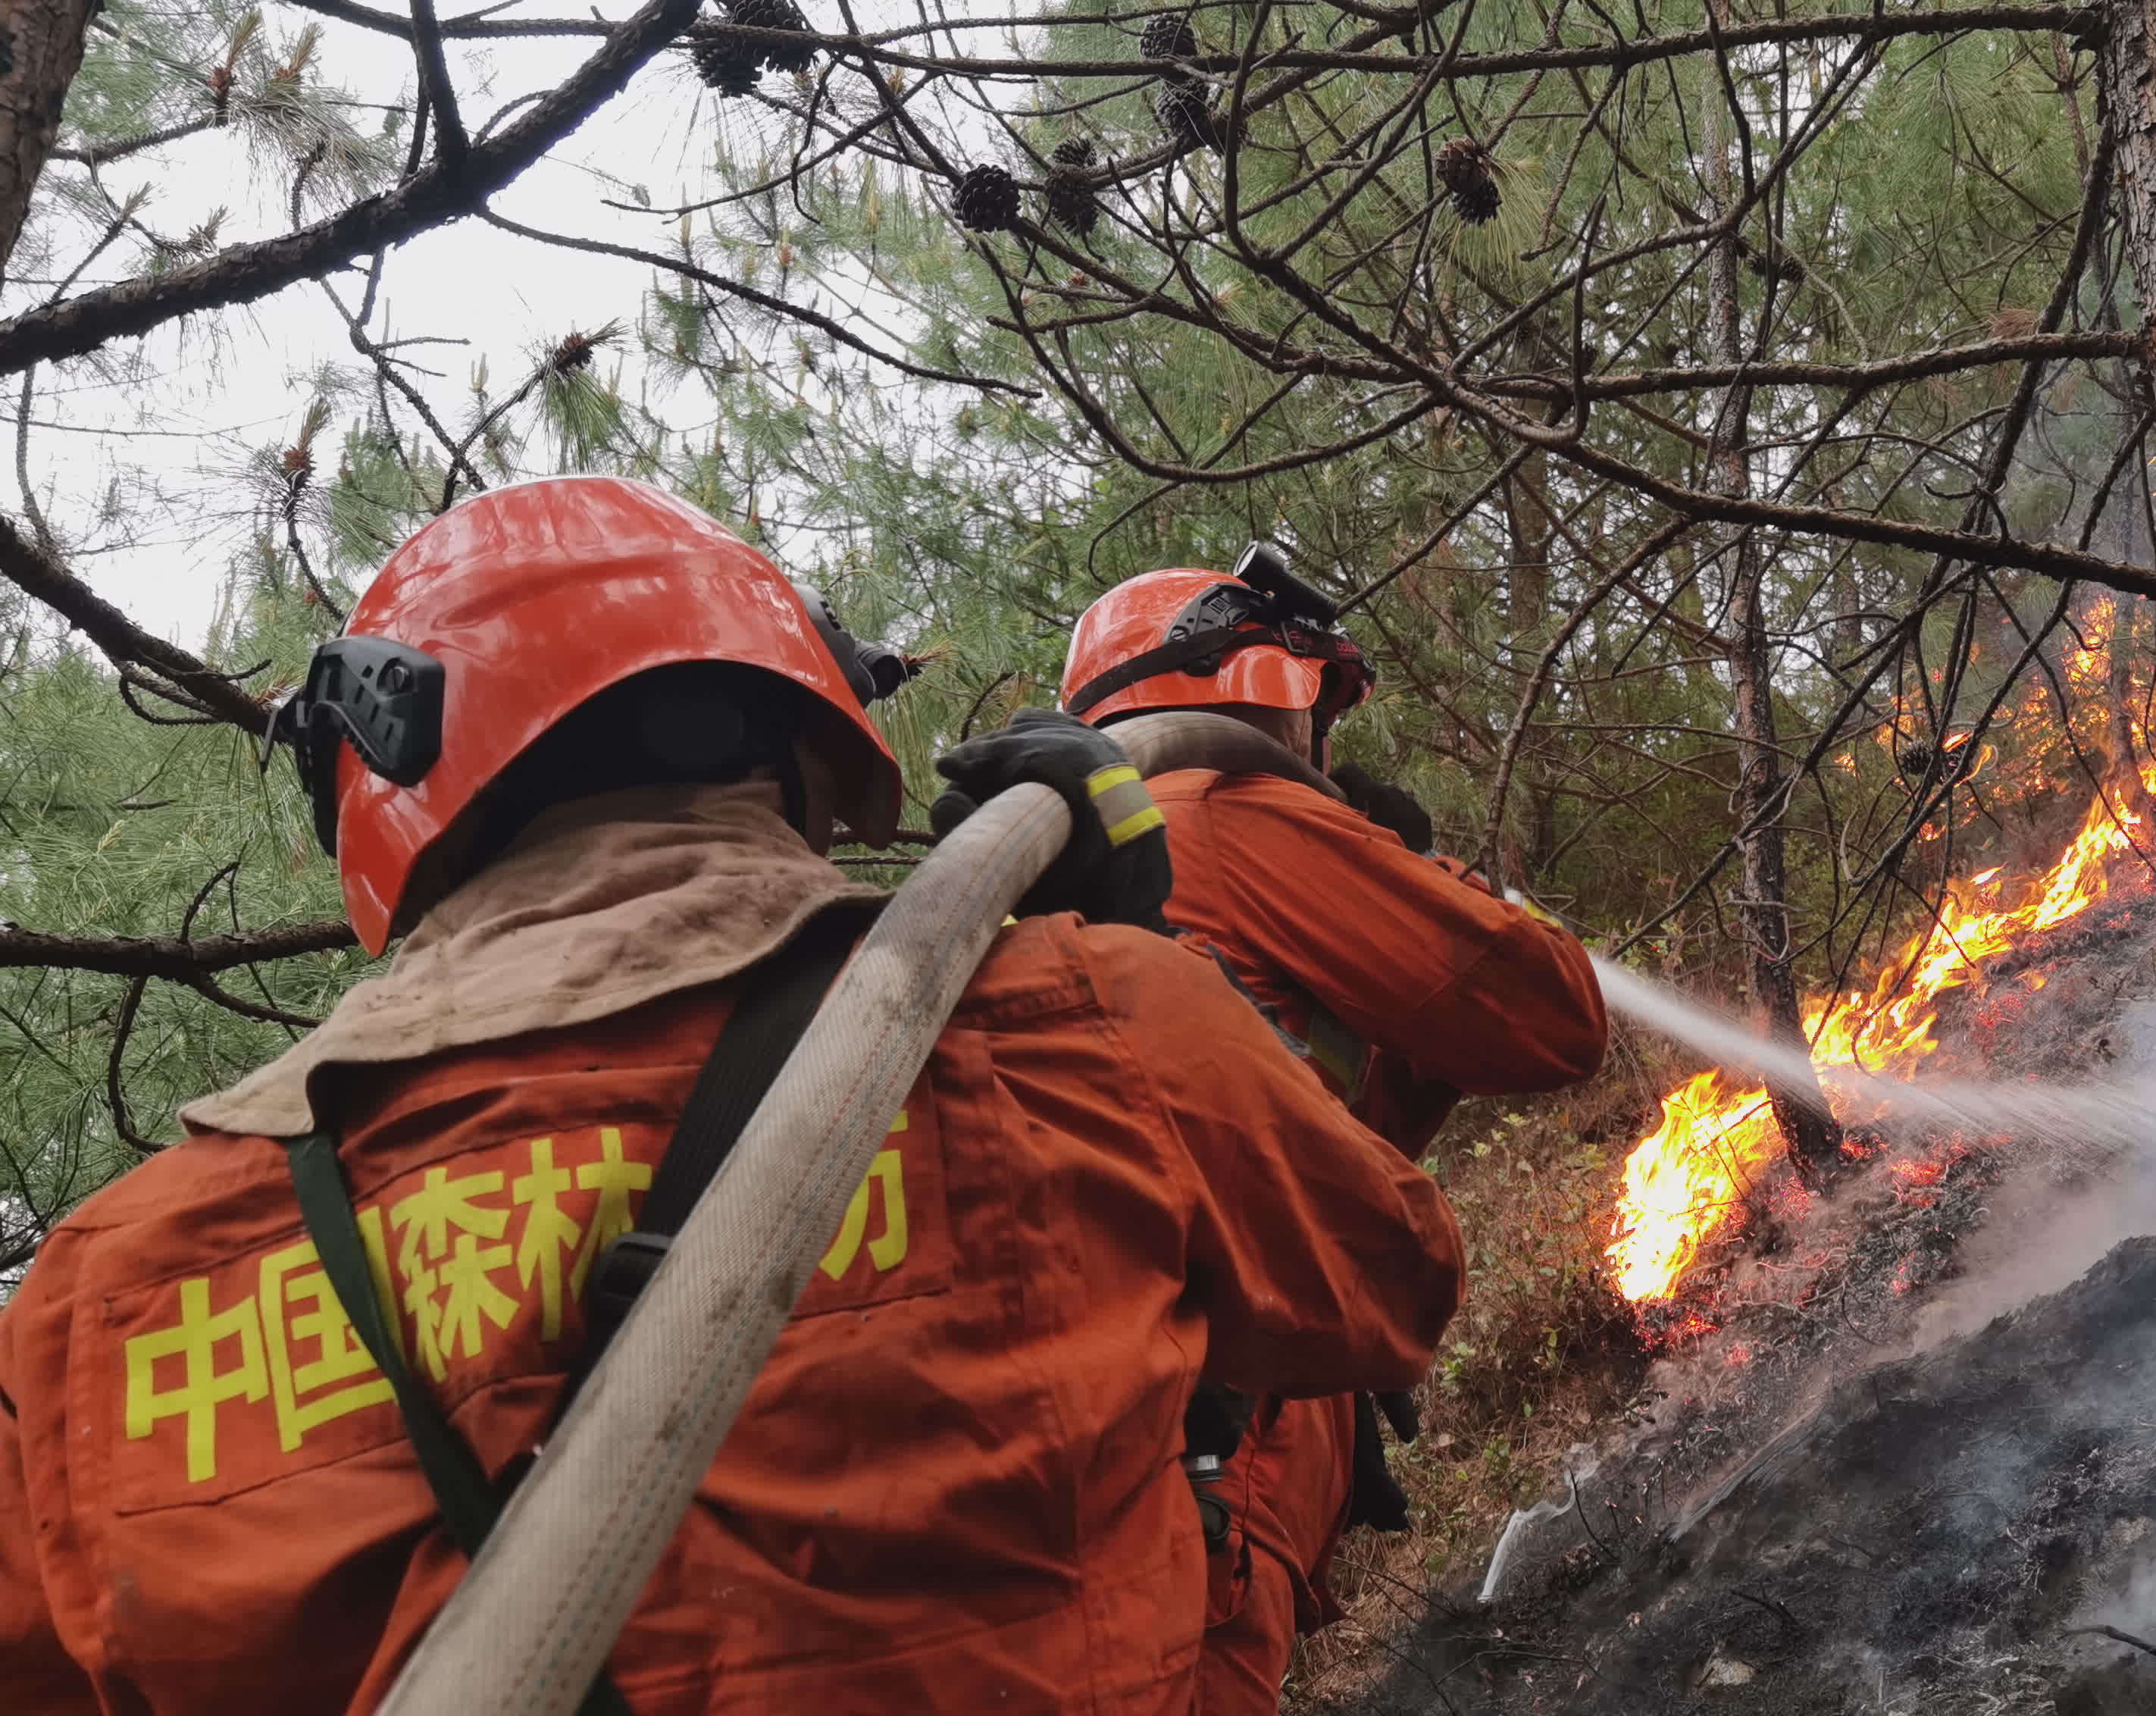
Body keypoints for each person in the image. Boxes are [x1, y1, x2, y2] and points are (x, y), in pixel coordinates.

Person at [0, 478, 1463, 1716]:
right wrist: (1137, 967)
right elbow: (1391, 1286)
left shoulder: (98, 1299)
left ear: (385, 795)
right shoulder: (1081, 1023)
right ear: (805, 750)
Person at [937, 550, 1607, 1714]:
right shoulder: (1232, 813)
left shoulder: (1092, 865)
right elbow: (1551, 1021)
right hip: (1222, 1423)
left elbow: (1304, 1106)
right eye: (1316, 719)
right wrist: (1422, 873)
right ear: (1267, 696)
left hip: (1118, 1409)